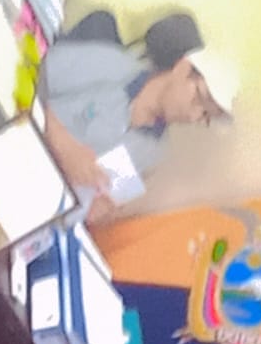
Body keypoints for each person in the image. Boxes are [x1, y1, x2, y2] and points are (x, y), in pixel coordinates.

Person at [39, 22, 239, 219]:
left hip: (48, 210)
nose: (194, 116)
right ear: (182, 68)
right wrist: (61, 142)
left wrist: (102, 207)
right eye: (199, 98)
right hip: (26, 150)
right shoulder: (111, 64)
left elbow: (93, 207)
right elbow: (31, 76)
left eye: (204, 116)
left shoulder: (155, 151)